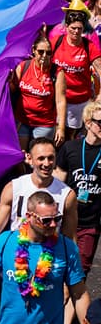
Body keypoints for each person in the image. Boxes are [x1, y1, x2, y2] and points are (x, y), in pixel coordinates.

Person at [0, 191, 91, 324]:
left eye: (56, 218)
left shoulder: (66, 247)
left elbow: (79, 293)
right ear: (29, 217)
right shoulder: (6, 241)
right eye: (46, 220)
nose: (53, 225)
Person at [0, 138, 77, 260]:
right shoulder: (14, 188)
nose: (47, 163)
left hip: (49, 260)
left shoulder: (67, 195)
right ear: (29, 158)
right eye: (41, 158)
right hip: (16, 258)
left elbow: (69, 237)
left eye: (51, 158)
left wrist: (73, 272)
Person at [57, 100, 101, 275]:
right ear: (88, 123)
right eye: (100, 122)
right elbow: (58, 181)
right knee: (58, 267)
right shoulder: (70, 148)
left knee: (80, 271)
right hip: (65, 219)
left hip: (91, 223)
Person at [50, 0, 101, 139]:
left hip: (78, 102)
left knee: (69, 136)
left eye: (79, 28)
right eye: (73, 28)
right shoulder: (56, 42)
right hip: (55, 99)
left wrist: (100, 96)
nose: (76, 31)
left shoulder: (88, 46)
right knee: (54, 134)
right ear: (66, 26)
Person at [10, 35, 67, 150]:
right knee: (21, 155)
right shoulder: (23, 66)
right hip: (22, 121)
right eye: (41, 52)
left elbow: (60, 101)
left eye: (49, 53)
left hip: (44, 124)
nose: (45, 56)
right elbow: (12, 90)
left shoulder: (56, 72)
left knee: (39, 156)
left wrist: (61, 128)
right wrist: (9, 80)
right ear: (34, 51)